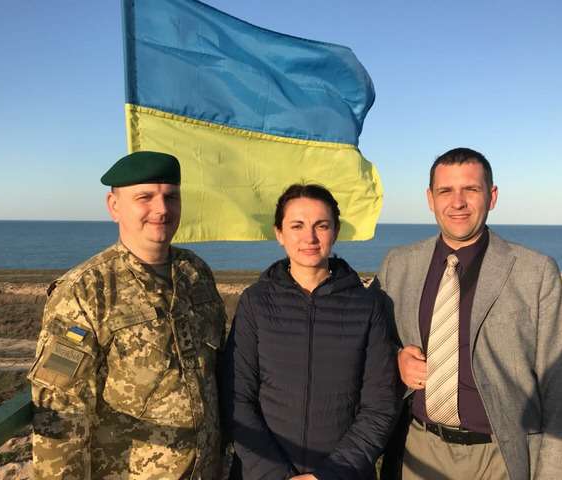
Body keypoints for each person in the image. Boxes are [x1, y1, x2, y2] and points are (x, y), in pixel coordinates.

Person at [374, 147, 562, 479]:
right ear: (430, 199)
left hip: (501, 457)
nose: (457, 202)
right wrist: (395, 357)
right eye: (445, 191)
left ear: (492, 196)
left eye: (470, 189)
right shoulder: (398, 265)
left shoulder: (535, 272)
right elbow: (364, 342)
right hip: (418, 449)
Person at [27, 151, 227, 479]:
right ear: (114, 206)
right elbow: (61, 408)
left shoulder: (195, 273)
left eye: (171, 197)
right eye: (144, 197)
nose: (161, 209)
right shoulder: (86, 290)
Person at [222, 183, 401, 480]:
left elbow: (379, 406)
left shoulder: (368, 305)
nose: (310, 237)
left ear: (336, 231)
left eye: (322, 225)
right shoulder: (255, 302)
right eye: (297, 226)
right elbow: (237, 399)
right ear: (279, 233)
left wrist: (329, 475)